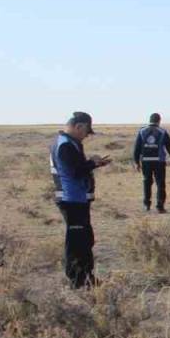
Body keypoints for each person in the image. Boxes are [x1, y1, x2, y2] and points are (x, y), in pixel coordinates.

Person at [50, 112, 112, 288]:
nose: (86, 136)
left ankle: (85, 277)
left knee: (84, 239)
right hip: (71, 200)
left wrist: (94, 163)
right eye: (86, 132)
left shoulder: (68, 143)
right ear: (79, 126)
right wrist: (93, 163)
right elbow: (74, 172)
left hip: (76, 198)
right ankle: (78, 279)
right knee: (77, 241)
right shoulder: (65, 145)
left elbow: (76, 168)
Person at [131, 112, 170, 212]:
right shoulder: (162, 131)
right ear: (159, 121)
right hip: (159, 162)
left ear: (150, 120)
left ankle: (146, 205)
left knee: (146, 182)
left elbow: (137, 148)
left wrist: (136, 162)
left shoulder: (142, 131)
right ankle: (160, 206)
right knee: (160, 183)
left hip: (146, 161)